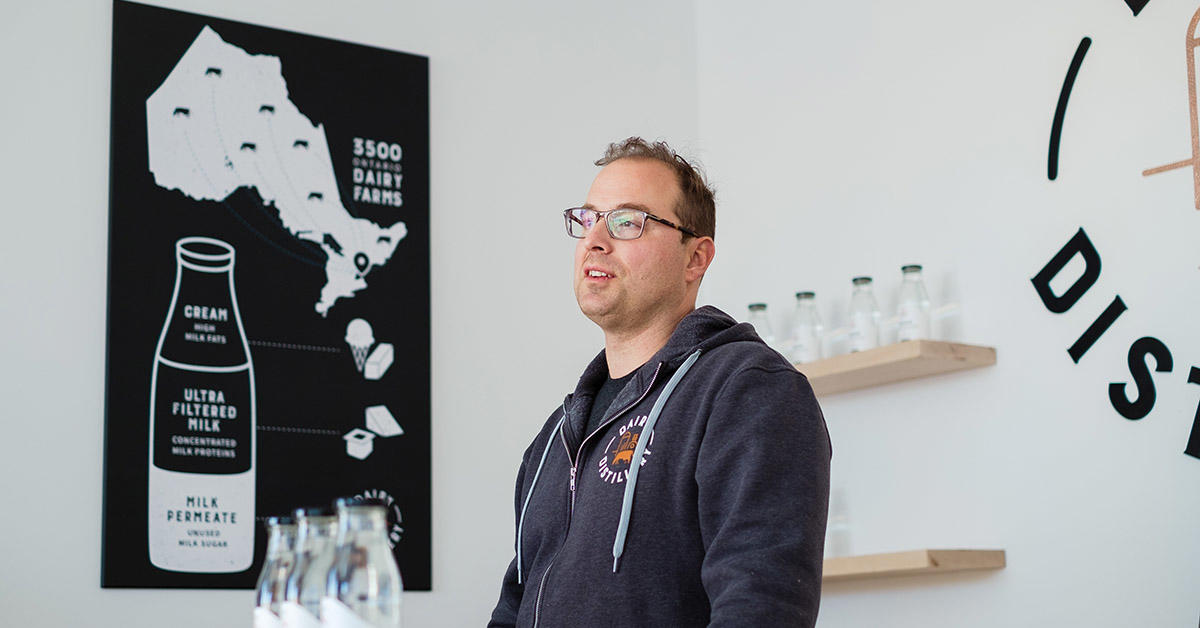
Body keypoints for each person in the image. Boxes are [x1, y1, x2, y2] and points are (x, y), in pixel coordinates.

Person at [488, 138, 830, 627]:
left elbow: (761, 607)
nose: (595, 240)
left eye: (627, 221)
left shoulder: (749, 391)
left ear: (695, 258)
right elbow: (511, 611)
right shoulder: (554, 438)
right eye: (588, 219)